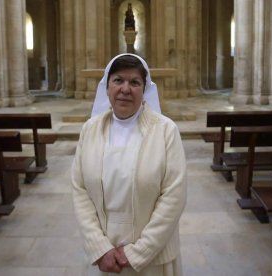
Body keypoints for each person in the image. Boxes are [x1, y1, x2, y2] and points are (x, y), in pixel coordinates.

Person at [71, 53, 187, 275]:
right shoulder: (90, 130)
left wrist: (138, 252)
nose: (125, 89)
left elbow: (174, 196)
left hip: (154, 256)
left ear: (145, 91)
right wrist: (100, 248)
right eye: (118, 80)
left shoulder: (165, 131)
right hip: (105, 255)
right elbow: (80, 190)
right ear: (107, 88)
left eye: (134, 82)